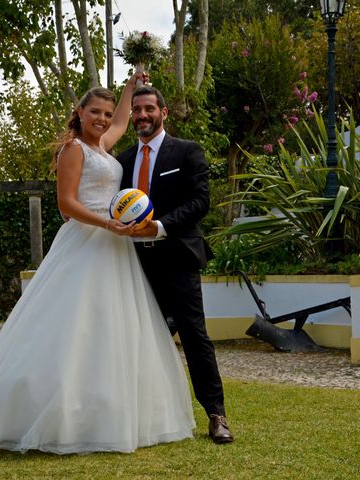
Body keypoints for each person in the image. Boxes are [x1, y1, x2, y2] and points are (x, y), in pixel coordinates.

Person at [0, 75, 196, 454]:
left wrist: (131, 86)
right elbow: (66, 204)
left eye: (105, 113)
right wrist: (107, 223)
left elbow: (121, 121)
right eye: (94, 112)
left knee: (111, 326)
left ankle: (108, 411)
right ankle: (55, 414)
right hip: (86, 240)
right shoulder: (74, 150)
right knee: (73, 325)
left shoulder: (103, 145)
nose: (103, 119)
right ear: (79, 113)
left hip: (115, 247)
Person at [117, 86, 234, 444]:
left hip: (178, 256)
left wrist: (161, 225)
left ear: (163, 113)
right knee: (136, 338)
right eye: (137, 109)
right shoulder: (121, 161)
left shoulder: (187, 151)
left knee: (194, 336)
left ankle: (216, 415)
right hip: (133, 262)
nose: (142, 115)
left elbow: (200, 201)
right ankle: (135, 416)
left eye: (149, 108)